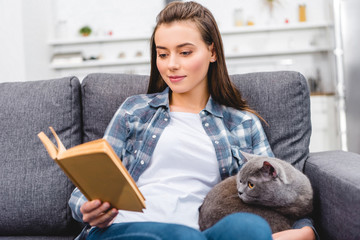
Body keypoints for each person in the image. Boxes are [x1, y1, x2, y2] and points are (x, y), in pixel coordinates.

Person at [69, 1, 318, 240]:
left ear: (212, 51)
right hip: (126, 227)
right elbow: (87, 187)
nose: (171, 65)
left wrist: (306, 230)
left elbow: (281, 190)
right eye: (163, 54)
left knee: (250, 228)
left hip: (201, 231)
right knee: (179, 235)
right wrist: (87, 208)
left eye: (185, 52)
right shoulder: (135, 110)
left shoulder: (242, 123)